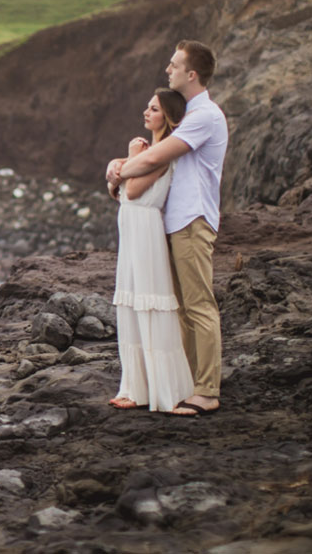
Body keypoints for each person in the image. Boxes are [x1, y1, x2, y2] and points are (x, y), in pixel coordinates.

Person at [107, 40, 228, 417]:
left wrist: (119, 169)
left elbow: (158, 156)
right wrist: (119, 166)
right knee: (179, 308)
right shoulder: (187, 114)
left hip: (192, 220)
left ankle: (206, 391)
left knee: (197, 306)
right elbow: (152, 158)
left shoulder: (203, 115)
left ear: (191, 74)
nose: (168, 70)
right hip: (172, 221)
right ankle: (188, 382)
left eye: (174, 65)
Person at [107, 88, 194, 412]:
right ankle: (135, 386)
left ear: (167, 117)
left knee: (149, 301)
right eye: (147, 106)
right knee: (130, 301)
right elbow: (116, 190)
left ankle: (164, 389)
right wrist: (117, 172)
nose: (146, 112)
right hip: (131, 228)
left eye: (154, 109)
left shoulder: (160, 153)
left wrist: (126, 160)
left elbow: (131, 189)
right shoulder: (149, 151)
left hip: (145, 230)